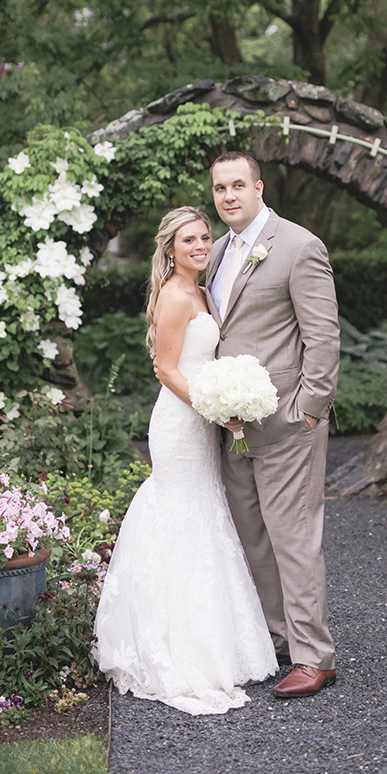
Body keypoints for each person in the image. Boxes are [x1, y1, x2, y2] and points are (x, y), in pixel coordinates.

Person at [92, 206, 277, 715]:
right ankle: (172, 645)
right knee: (181, 514)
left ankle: (213, 638)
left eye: (204, 237)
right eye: (188, 240)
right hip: (179, 423)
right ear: (170, 249)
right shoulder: (176, 295)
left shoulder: (200, 287)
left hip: (201, 421)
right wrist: (215, 409)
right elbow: (166, 369)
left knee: (205, 517)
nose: (200, 245)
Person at [206, 151, 340, 698]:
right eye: (220, 189)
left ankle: (315, 656)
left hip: (286, 420)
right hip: (232, 425)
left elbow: (323, 337)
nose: (229, 196)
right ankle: (277, 641)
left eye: (238, 185)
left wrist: (308, 409)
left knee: (293, 538)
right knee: (252, 538)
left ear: (259, 187)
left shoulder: (299, 245)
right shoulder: (213, 253)